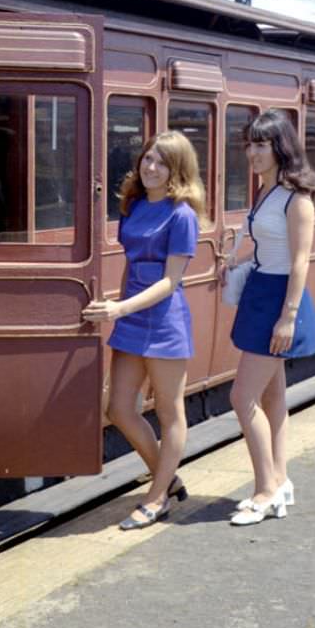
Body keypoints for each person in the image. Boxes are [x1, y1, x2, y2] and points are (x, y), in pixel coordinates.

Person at [83, 130, 205, 530]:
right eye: (147, 158)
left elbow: (171, 282)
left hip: (164, 320)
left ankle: (157, 500)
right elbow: (133, 265)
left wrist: (119, 307)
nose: (150, 167)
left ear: (178, 169)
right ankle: (167, 479)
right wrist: (117, 302)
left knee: (170, 413)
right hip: (133, 314)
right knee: (117, 408)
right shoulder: (133, 206)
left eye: (161, 162)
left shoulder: (182, 214)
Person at [224, 110, 315, 526]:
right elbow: (270, 247)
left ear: (281, 148)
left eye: (262, 144)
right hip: (261, 291)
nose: (253, 152)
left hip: (281, 299)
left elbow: (300, 261)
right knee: (272, 395)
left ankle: (265, 490)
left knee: (241, 398)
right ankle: (280, 480)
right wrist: (239, 263)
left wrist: (288, 317)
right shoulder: (266, 192)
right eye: (249, 144)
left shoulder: (296, 199)